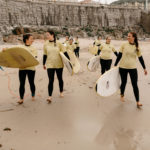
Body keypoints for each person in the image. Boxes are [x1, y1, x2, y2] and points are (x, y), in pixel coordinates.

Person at [114, 32, 147, 108]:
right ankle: (122, 94)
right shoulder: (124, 45)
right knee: (124, 82)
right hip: (123, 67)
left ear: (133, 37)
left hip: (133, 68)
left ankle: (138, 101)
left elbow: (140, 58)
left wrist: (144, 68)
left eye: (129, 36)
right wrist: (115, 65)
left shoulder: (137, 47)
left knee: (135, 84)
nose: (127, 37)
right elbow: (119, 56)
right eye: (127, 36)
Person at [43, 30, 65, 103]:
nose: (47, 36)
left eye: (48, 35)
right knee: (50, 80)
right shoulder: (45, 44)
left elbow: (64, 52)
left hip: (59, 64)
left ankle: (61, 91)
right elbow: (45, 54)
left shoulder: (59, 43)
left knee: (60, 78)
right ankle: (49, 96)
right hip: (50, 64)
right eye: (46, 35)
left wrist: (69, 63)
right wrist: (43, 63)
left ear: (52, 35)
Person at [18, 34, 38, 104]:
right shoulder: (21, 48)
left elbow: (34, 58)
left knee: (31, 82)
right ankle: (21, 98)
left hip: (31, 68)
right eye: (31, 39)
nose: (33, 40)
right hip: (22, 68)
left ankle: (33, 95)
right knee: (22, 83)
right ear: (26, 40)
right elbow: (16, 55)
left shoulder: (34, 48)